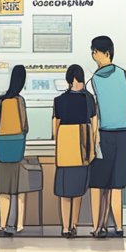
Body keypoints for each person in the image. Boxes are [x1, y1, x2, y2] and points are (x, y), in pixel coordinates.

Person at [87, 35, 126, 239]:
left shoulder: (93, 82)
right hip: (125, 134)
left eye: (95, 51)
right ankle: (118, 227)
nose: (93, 54)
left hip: (104, 136)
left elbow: (92, 112)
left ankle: (99, 226)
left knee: (100, 182)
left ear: (106, 53)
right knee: (116, 183)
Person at [53, 64, 97, 239]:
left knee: (65, 191)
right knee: (78, 190)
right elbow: (94, 127)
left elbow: (55, 129)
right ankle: (73, 225)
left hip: (65, 151)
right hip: (82, 150)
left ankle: (65, 227)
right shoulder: (89, 99)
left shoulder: (59, 100)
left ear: (69, 79)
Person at [0, 64, 30, 237]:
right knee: (19, 188)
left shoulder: (0, 101)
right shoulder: (20, 101)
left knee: (3, 190)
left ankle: (2, 224)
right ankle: (19, 224)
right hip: (17, 150)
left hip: (2, 150)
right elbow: (24, 126)